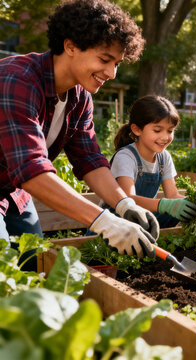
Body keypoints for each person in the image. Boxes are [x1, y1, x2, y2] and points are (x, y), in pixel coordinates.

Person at [0, 0, 158, 260]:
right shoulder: (17, 80)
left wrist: (124, 204)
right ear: (70, 45)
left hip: (14, 192)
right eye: (105, 59)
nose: (112, 73)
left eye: (117, 63)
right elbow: (31, 168)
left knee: (32, 263)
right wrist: (103, 221)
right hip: (21, 181)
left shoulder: (80, 97)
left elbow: (89, 159)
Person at [106, 95, 196, 228]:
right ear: (137, 129)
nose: (165, 137)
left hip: (142, 219)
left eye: (170, 131)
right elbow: (127, 199)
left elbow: (172, 195)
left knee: (179, 213)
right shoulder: (126, 157)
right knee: (166, 211)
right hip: (115, 222)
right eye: (157, 130)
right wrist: (163, 205)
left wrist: (194, 204)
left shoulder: (164, 157)